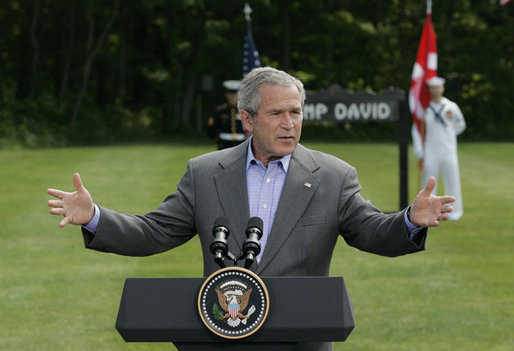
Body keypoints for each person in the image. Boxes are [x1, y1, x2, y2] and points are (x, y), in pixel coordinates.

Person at [48, 67, 456, 351]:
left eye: (295, 112)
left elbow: (370, 230)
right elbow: (155, 231)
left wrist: (408, 220)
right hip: (221, 336)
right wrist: (95, 216)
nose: (289, 124)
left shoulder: (333, 175)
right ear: (247, 119)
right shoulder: (205, 172)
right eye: (276, 113)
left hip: (303, 340)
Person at [412, 76, 465, 220]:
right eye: (433, 88)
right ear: (429, 90)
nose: (435, 90)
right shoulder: (424, 108)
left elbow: (461, 125)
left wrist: (449, 134)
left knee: (452, 179)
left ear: (442, 88)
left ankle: (454, 211)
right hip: (430, 149)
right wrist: (419, 150)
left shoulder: (451, 106)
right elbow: (417, 129)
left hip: (448, 149)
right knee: (429, 182)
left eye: (438, 87)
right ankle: (429, 210)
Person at [206, 79, 248, 149]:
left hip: (241, 144)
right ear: (227, 95)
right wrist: (218, 141)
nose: (233, 97)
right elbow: (211, 130)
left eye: (235, 94)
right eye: (231, 94)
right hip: (224, 145)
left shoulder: (245, 111)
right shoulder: (220, 111)